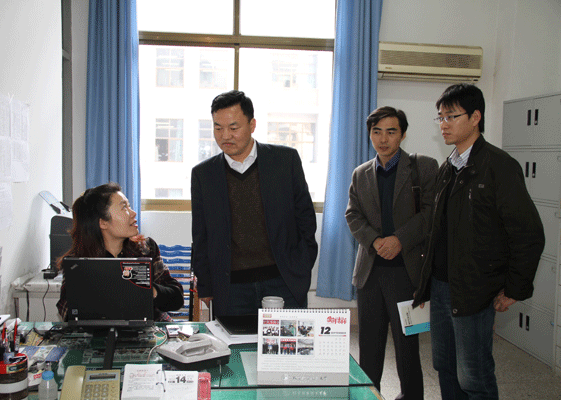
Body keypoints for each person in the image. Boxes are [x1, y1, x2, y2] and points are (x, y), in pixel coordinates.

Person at [413, 84, 545, 399]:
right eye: (440, 117)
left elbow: (528, 234)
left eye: (451, 116)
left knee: (473, 375)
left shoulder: (499, 166)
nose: (443, 124)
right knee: (445, 366)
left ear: (475, 118)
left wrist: (514, 288)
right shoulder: (448, 168)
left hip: (474, 288)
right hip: (441, 285)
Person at [191, 90, 318, 316]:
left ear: (252, 125)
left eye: (233, 127)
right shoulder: (204, 174)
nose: (225, 136)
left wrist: (301, 267)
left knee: (287, 340)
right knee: (234, 340)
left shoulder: (284, 161)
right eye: (218, 128)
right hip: (231, 288)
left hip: (283, 282)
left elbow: (306, 219)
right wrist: (206, 285)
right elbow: (201, 236)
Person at [345, 106, 438, 399]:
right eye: (377, 132)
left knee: (407, 349)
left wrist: (400, 239)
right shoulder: (361, 173)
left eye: (391, 131)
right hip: (370, 274)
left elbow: (431, 212)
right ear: (370, 134)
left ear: (403, 134)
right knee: (369, 349)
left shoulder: (423, 167)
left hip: (406, 274)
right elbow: (352, 215)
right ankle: (369, 396)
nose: (383, 139)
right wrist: (374, 241)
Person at [56, 183, 184, 322]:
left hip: (151, 330)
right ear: (103, 223)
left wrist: (148, 290)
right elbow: (67, 311)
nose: (133, 213)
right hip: (101, 333)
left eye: (129, 206)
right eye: (124, 207)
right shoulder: (79, 262)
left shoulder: (145, 249)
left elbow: (176, 298)